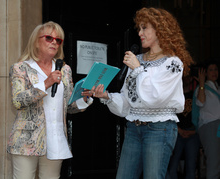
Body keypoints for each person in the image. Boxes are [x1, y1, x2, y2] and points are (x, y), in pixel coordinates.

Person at [92, 7, 193, 179]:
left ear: (159, 29)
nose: (140, 33)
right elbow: (127, 101)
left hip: (159, 129)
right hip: (133, 128)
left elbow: (156, 97)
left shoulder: (172, 63)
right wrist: (107, 97)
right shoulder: (137, 60)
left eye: (144, 27)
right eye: (138, 28)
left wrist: (138, 70)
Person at [7, 21, 93, 179]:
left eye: (58, 40)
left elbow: (68, 106)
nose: (54, 42)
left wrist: (84, 99)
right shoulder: (20, 68)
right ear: (36, 41)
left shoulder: (65, 70)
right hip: (27, 140)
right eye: (48, 38)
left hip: (56, 138)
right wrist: (46, 83)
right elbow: (18, 100)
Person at [166, 75, 200, 179]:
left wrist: (201, 84)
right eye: (184, 76)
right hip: (177, 132)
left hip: (192, 132)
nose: (187, 79)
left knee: (191, 166)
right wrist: (179, 130)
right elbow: (169, 114)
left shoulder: (195, 95)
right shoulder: (174, 95)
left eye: (189, 77)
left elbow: (202, 113)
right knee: (173, 165)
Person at [193, 60, 220, 179]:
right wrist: (202, 83)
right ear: (205, 73)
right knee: (213, 161)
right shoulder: (202, 88)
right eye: (211, 70)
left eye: (216, 69)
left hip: (217, 126)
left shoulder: (218, 88)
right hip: (209, 126)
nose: (214, 72)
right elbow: (200, 102)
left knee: (217, 162)